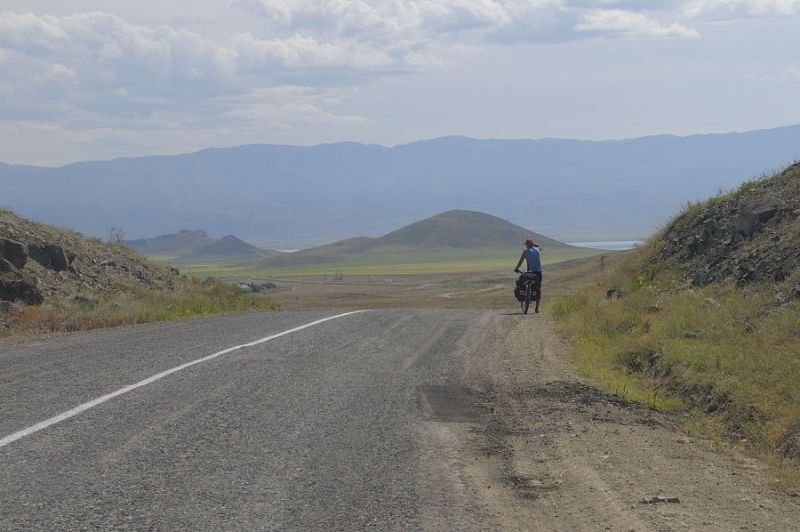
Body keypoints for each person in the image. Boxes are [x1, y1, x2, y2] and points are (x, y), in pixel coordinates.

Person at [514, 238, 542, 313]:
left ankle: (525, 294)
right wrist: (534, 245)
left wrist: (516, 268)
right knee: (538, 289)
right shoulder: (538, 250)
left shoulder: (525, 252)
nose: (525, 246)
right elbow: (540, 247)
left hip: (530, 272)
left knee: (523, 282)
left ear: (527, 245)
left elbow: (520, 262)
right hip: (538, 272)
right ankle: (536, 308)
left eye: (526, 244)